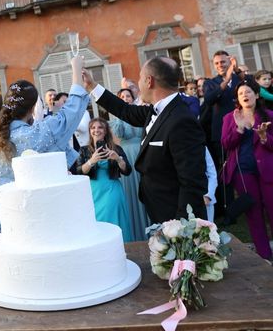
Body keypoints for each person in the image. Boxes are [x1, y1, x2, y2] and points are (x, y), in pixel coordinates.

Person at [85, 56, 208, 223]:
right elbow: (124, 111)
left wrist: (182, 229)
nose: (138, 83)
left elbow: (192, 181)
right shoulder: (155, 110)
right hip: (157, 208)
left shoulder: (182, 120)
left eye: (140, 78)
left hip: (174, 217)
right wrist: (92, 86)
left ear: (149, 81)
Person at [0, 55, 91, 231]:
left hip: (11, 226)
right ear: (34, 107)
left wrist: (1, 227)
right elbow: (72, 111)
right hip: (46, 224)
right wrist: (76, 70)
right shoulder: (39, 132)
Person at [221, 79, 273, 260]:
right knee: (254, 214)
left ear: (257, 95)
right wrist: (239, 129)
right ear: (237, 98)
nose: (245, 95)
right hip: (243, 173)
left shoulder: (269, 115)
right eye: (241, 93)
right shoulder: (230, 118)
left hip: (268, 171)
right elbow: (225, 143)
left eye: (249, 91)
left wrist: (265, 137)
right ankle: (265, 256)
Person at [75, 118, 133, 242]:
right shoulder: (84, 150)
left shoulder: (116, 149)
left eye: (100, 127)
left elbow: (127, 171)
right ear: (90, 131)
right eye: (93, 128)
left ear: (106, 131)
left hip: (112, 191)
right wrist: (91, 161)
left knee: (113, 223)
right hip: (93, 193)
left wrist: (118, 159)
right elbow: (78, 172)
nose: (96, 130)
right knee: (97, 223)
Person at [204, 51, 246, 223]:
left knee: (245, 167)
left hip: (243, 130)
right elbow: (209, 99)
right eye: (217, 63)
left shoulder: (240, 81)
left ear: (231, 61)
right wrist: (226, 80)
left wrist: (237, 75)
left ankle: (250, 203)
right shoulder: (211, 83)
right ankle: (228, 213)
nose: (220, 65)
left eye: (223, 62)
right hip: (220, 133)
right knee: (224, 173)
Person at [109, 88, 150, 241]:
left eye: (128, 96)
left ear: (133, 99)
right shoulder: (115, 121)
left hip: (142, 153)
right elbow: (118, 134)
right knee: (131, 193)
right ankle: (136, 233)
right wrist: (120, 113)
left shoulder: (141, 114)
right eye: (122, 97)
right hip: (126, 155)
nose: (125, 98)